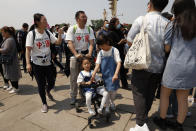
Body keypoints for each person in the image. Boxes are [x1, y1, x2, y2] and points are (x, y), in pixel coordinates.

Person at [153, 0, 196, 130]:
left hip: (175, 65)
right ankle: (179, 125)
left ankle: (162, 120)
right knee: (183, 98)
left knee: (165, 93)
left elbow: (167, 48)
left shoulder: (174, 24)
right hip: (191, 66)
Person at [127, 0, 169, 130]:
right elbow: (167, 48)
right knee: (150, 93)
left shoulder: (141, 19)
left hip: (141, 64)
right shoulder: (168, 23)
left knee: (139, 92)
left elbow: (129, 40)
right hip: (158, 66)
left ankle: (140, 124)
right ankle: (144, 116)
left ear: (150, 4)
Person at [26, 13, 63, 113]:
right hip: (37, 64)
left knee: (52, 81)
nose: (46, 22)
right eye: (44, 20)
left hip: (48, 63)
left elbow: (58, 42)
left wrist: (59, 34)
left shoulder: (47, 32)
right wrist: (28, 63)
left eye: (46, 20)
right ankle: (44, 103)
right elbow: (28, 50)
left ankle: (48, 90)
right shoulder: (31, 34)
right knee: (40, 84)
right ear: (37, 22)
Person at [66, 11, 95, 105]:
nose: (85, 18)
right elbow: (69, 43)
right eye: (83, 17)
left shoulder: (89, 29)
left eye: (85, 17)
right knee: (74, 78)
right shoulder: (72, 29)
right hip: (75, 57)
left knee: (85, 76)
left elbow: (91, 43)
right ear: (77, 19)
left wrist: (90, 53)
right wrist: (75, 54)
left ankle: (83, 95)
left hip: (85, 56)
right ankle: (73, 96)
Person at [91, 33, 121, 112]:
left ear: (107, 42)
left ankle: (112, 101)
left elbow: (119, 63)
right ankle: (108, 106)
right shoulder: (100, 53)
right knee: (107, 92)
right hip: (105, 76)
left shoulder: (114, 50)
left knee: (113, 93)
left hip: (114, 76)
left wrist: (116, 74)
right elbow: (97, 64)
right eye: (100, 46)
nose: (101, 47)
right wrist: (93, 73)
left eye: (102, 45)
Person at [108, 18, 128, 89]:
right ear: (113, 24)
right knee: (113, 70)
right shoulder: (110, 33)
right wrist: (119, 43)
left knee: (122, 70)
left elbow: (123, 39)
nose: (119, 24)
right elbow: (110, 45)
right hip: (114, 54)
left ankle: (125, 85)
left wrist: (124, 41)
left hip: (121, 53)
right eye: (117, 22)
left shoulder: (119, 32)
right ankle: (111, 84)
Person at [0, 26, 22, 93]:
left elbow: (5, 50)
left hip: (11, 60)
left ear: (7, 33)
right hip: (10, 60)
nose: (2, 34)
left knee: (13, 75)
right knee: (11, 74)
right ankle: (14, 87)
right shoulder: (9, 39)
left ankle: (16, 88)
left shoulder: (10, 40)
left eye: (3, 32)